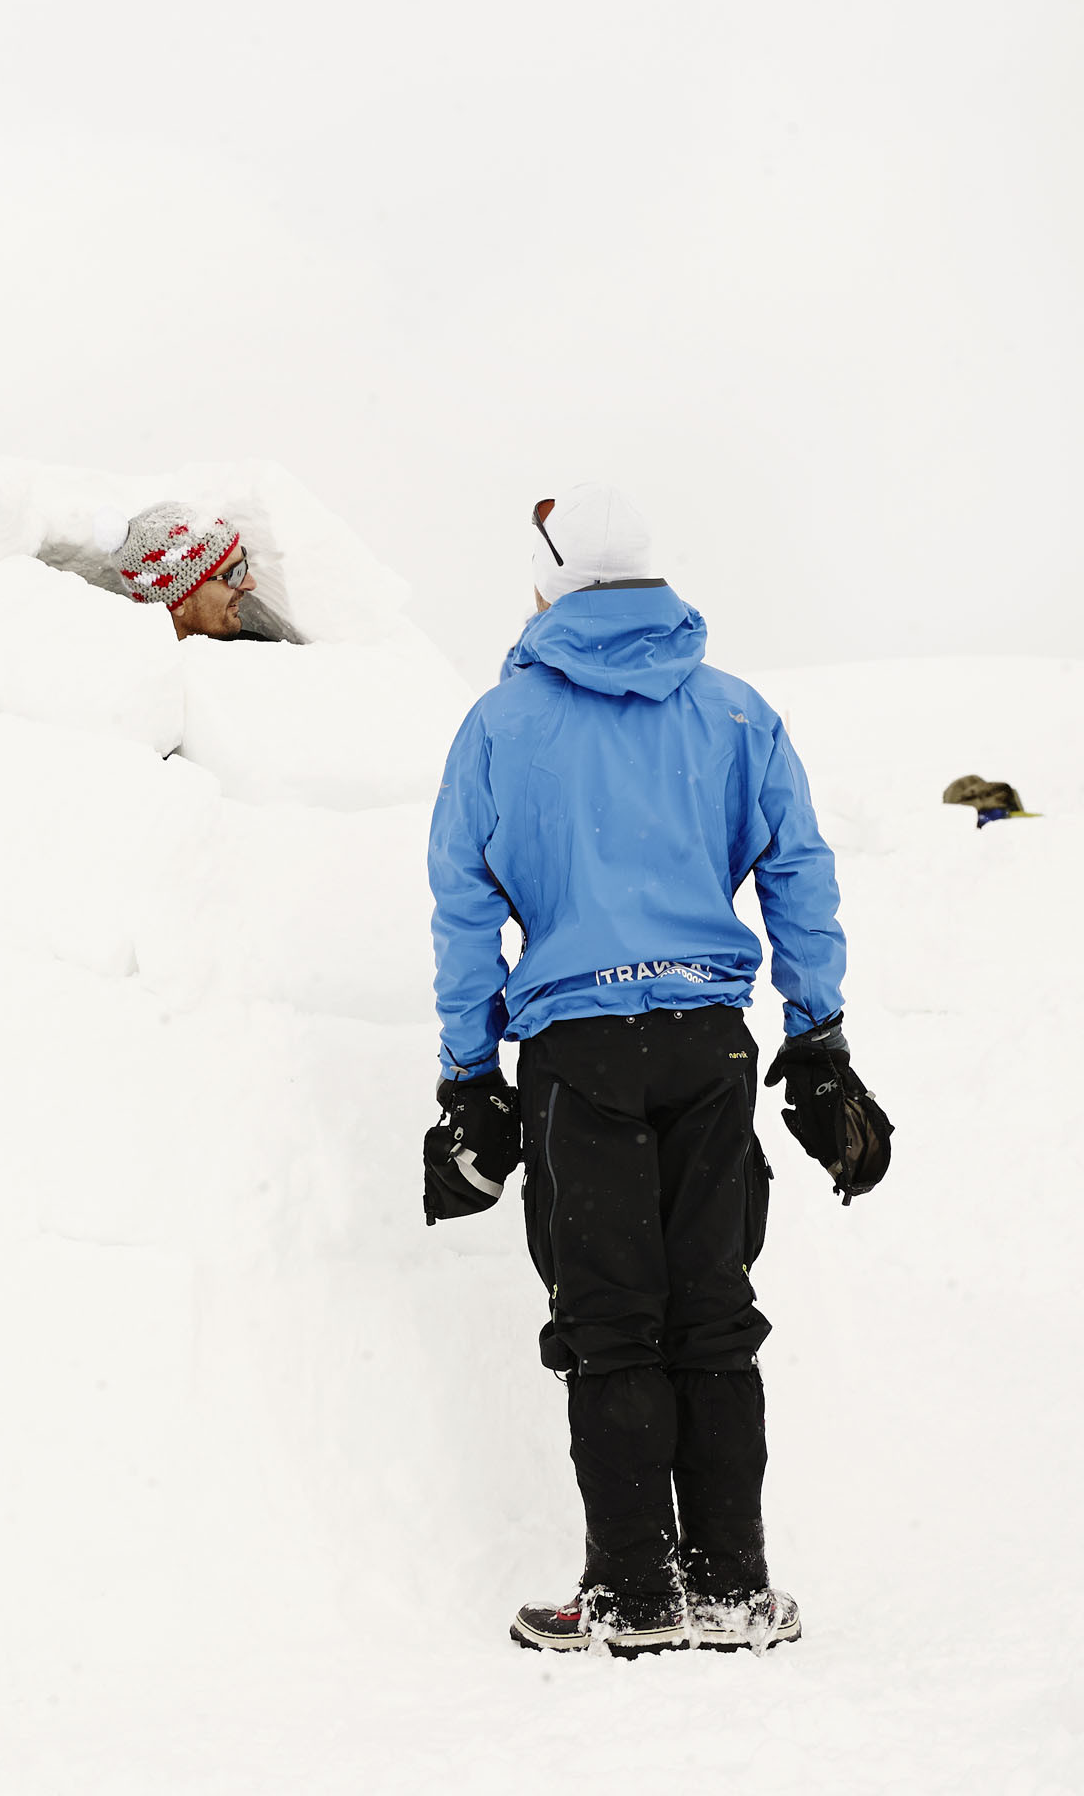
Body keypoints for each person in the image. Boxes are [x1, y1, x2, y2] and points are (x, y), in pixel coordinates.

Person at [423, 484, 892, 1659]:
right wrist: (819, 1031)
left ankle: (632, 1593)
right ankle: (734, 1586)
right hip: (708, 1042)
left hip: (577, 1051)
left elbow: (463, 908)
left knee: (610, 1321)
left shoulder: (501, 725)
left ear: (554, 581)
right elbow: (799, 868)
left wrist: (468, 1071)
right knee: (713, 1314)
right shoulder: (734, 714)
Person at [107, 502, 262, 640]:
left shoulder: (267, 658)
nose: (251, 583)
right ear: (178, 602)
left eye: (244, 564)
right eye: (235, 573)